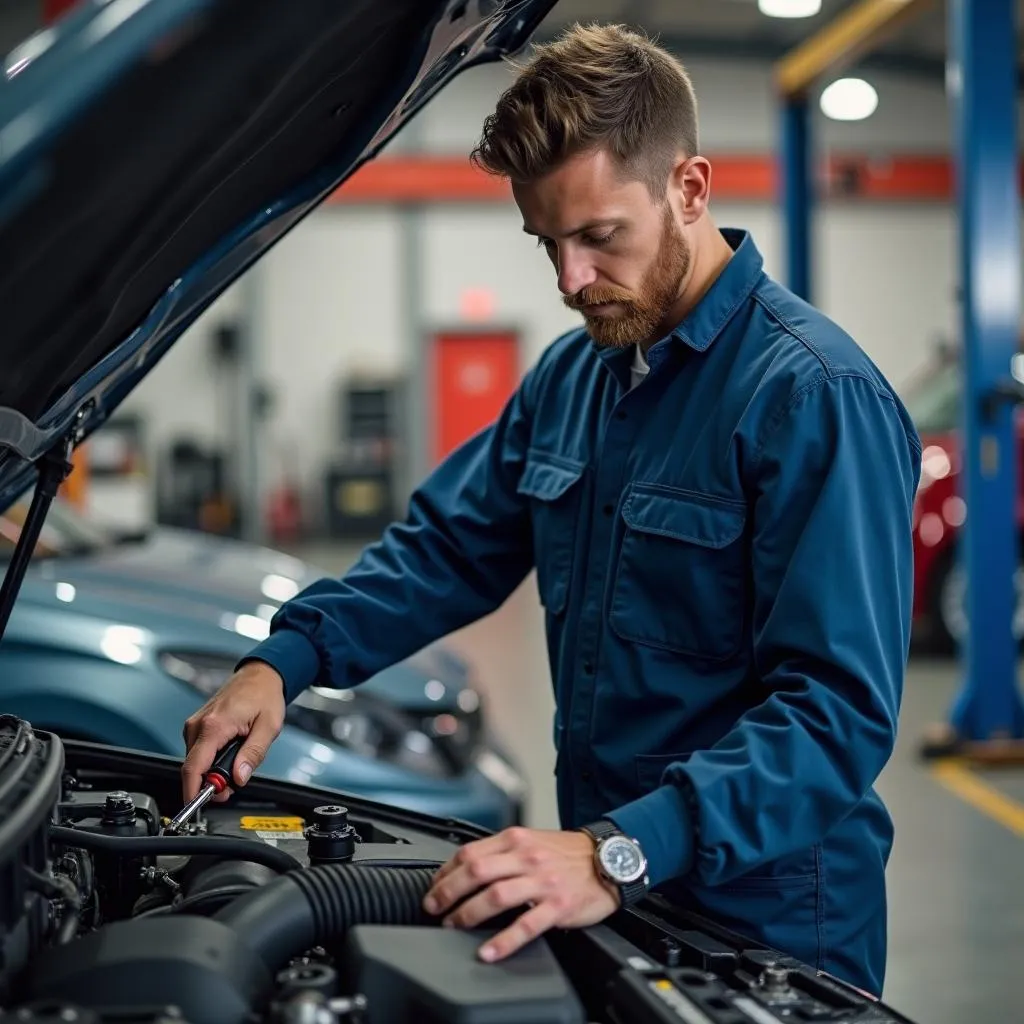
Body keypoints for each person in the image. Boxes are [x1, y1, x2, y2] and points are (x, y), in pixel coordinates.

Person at [181, 23, 922, 996]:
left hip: (768, 926)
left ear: (688, 190)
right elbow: (446, 550)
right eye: (546, 243)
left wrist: (621, 851)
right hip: (609, 890)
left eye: (597, 237)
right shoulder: (576, 377)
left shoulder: (813, 397)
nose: (570, 281)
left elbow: (834, 716)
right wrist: (286, 660)